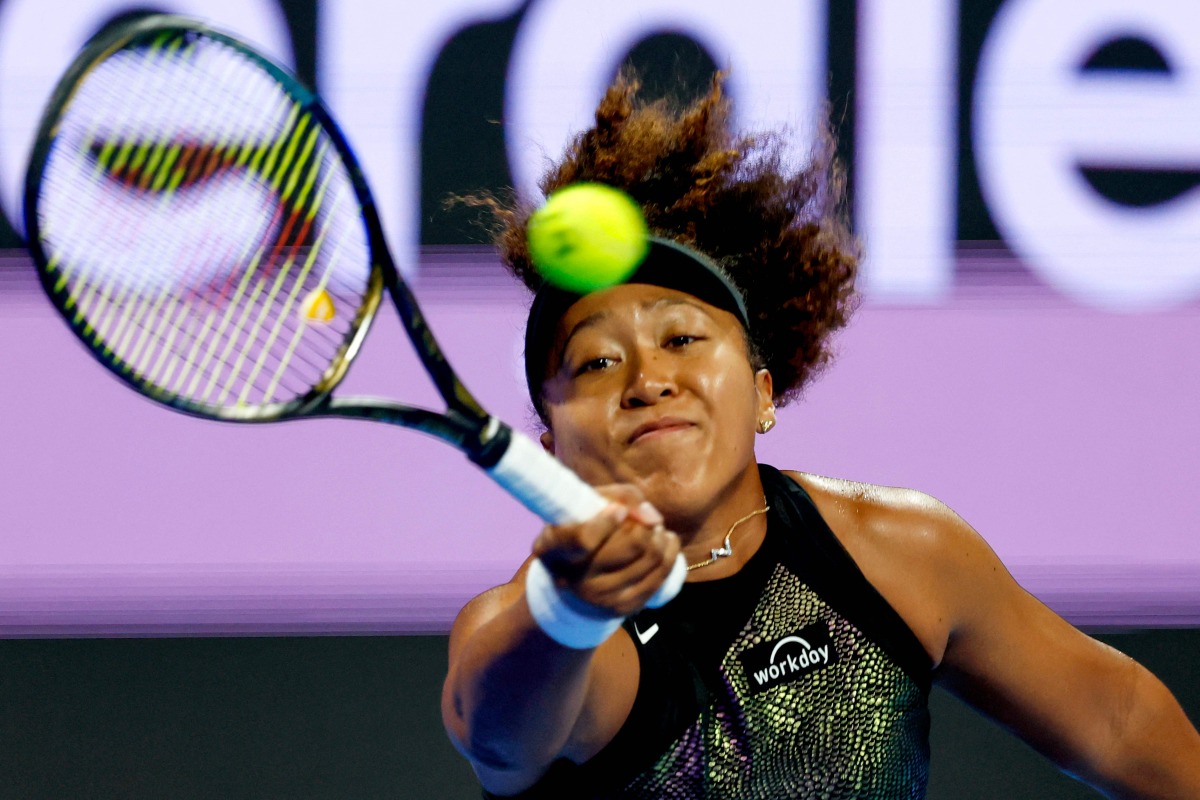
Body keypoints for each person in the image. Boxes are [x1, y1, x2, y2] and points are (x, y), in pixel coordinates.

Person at [441, 75, 1200, 799]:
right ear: (552, 450)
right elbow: (505, 736)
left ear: (764, 393)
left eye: (681, 339)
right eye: (597, 361)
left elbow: (1117, 720)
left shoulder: (900, 553)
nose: (647, 379)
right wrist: (568, 608)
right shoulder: (535, 631)